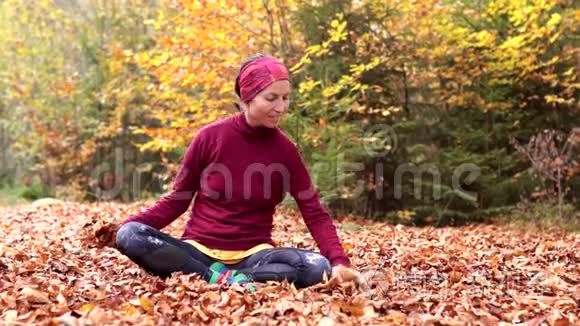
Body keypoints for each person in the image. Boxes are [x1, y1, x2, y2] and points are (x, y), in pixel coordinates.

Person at [96, 54, 362, 291]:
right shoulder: (209, 137)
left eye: (285, 97)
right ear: (248, 97)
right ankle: (219, 277)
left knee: (318, 267)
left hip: (255, 256)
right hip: (197, 250)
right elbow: (177, 200)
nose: (281, 107)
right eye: (271, 98)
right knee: (131, 235)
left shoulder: (285, 151)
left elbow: (313, 211)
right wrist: (125, 227)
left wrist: (339, 261)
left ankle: (224, 278)